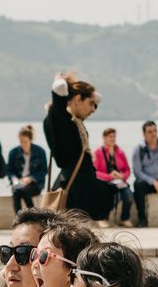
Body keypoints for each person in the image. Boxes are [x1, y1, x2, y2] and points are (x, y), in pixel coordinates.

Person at [43, 73, 113, 222]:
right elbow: (59, 93)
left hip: (81, 191)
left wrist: (89, 93)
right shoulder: (60, 119)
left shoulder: (75, 122)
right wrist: (59, 83)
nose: (93, 109)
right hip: (75, 194)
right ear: (77, 100)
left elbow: (94, 98)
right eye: (90, 103)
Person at [93, 128, 134, 227]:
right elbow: (95, 172)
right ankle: (104, 218)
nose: (113, 139)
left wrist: (122, 176)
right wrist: (109, 177)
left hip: (120, 182)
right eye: (110, 136)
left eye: (114, 136)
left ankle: (124, 218)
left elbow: (127, 169)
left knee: (129, 195)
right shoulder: (98, 152)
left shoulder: (120, 152)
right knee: (113, 196)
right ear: (104, 138)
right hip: (105, 183)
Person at [6, 125, 47, 215]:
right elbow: (9, 170)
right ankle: (19, 219)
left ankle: (33, 217)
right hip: (19, 183)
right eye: (21, 142)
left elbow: (44, 171)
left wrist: (30, 179)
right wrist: (14, 179)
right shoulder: (13, 152)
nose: (23, 144)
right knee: (16, 192)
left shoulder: (40, 152)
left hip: (35, 184)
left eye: (25, 142)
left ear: (31, 140)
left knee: (25, 191)